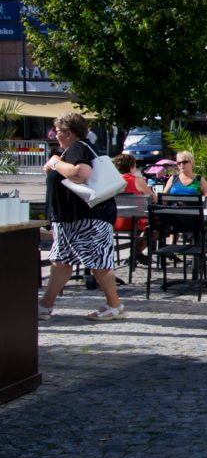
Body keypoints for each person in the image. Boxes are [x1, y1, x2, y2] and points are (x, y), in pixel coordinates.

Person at [38, 112, 125, 321]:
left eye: (57, 131)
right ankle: (44, 306)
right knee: (61, 261)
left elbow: (80, 174)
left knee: (97, 262)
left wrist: (55, 162)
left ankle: (115, 305)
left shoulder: (78, 148)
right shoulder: (76, 148)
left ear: (69, 132)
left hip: (86, 217)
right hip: (72, 219)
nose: (55, 135)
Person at [113, 153, 155, 264]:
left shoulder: (112, 181)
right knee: (155, 227)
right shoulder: (137, 180)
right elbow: (153, 198)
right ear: (132, 167)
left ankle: (135, 254)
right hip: (134, 221)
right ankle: (136, 252)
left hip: (115, 221)